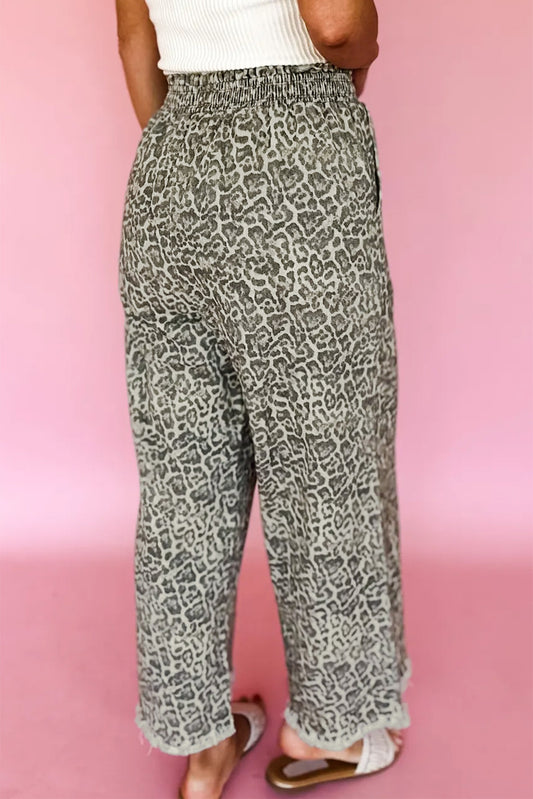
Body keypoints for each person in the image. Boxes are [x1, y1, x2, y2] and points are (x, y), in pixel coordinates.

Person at [115, 1, 413, 797]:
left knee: (183, 483)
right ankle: (330, 726)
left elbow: (135, 35)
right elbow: (335, 23)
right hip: (293, 157)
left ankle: (201, 740)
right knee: (324, 459)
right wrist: (360, 56)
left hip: (171, 167)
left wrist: (192, 152)